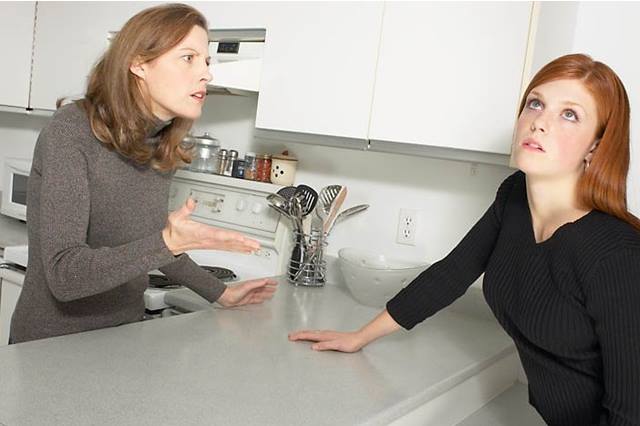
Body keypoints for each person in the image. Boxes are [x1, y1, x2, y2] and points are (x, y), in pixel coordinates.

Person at [289, 53, 640, 425]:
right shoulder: (514, 197)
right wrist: (360, 337)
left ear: (596, 146)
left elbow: (630, 412)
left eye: (569, 114)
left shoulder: (617, 254)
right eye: (535, 103)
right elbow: (452, 274)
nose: (539, 122)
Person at [10, 3, 277, 344]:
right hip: (51, 346)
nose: (206, 74)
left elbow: (147, 241)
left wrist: (221, 293)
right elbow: (65, 275)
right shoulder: (71, 131)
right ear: (138, 63)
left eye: (207, 61)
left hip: (125, 336)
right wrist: (168, 241)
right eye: (188, 58)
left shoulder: (160, 142)